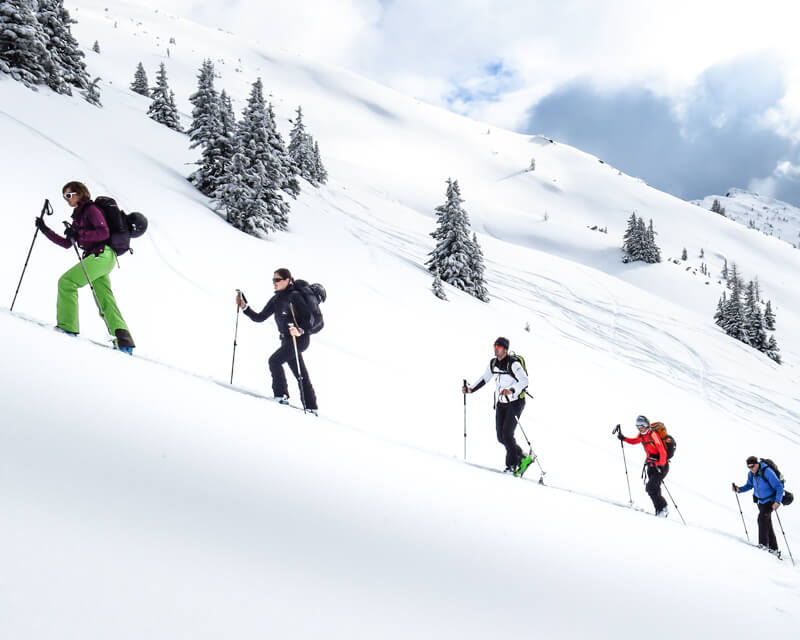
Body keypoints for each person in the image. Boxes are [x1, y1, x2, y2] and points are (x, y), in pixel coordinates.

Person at [36, 181, 135, 353]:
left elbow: (103, 232)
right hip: (101, 258)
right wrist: (45, 230)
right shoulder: (79, 216)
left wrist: (79, 234)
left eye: (69, 195)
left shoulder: (91, 210)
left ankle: (67, 327)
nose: (66, 199)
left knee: (66, 282)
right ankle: (124, 342)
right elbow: (67, 243)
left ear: (80, 193)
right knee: (105, 298)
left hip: (102, 255)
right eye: (64, 196)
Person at [237, 268, 318, 415]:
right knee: (299, 373)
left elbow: (309, 319)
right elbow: (259, 317)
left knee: (274, 361)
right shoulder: (276, 299)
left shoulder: (295, 296)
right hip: (287, 340)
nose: (274, 283)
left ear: (287, 280)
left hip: (299, 339)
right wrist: (244, 307)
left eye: (277, 280)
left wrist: (300, 330)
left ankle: (281, 395)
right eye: (273, 280)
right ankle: (311, 406)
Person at [462, 337, 532, 475]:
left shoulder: (513, 364)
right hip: (501, 403)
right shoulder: (493, 363)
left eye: (498, 347)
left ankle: (511, 466)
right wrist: (471, 389)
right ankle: (523, 457)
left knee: (507, 435)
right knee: (501, 437)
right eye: (495, 346)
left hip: (515, 402)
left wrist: (511, 390)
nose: (496, 349)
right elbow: (485, 378)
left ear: (505, 349)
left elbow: (524, 380)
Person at [617, 415, 669, 516]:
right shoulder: (642, 435)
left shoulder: (653, 434)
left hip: (660, 466)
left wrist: (661, 464)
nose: (639, 429)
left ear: (646, 425)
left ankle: (663, 508)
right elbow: (634, 441)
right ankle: (659, 511)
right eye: (638, 427)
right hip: (651, 465)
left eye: (641, 426)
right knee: (654, 489)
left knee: (650, 487)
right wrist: (623, 438)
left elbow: (662, 451)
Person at [732, 456, 784, 555]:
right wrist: (739, 489)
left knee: (762, 519)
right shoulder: (751, 474)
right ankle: (774, 549)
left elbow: (779, 487)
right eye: (749, 467)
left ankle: (763, 545)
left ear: (757, 463)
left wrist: (777, 501)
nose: (751, 469)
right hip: (761, 502)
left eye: (752, 466)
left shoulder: (767, 471)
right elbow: (749, 485)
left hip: (770, 501)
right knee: (767, 524)